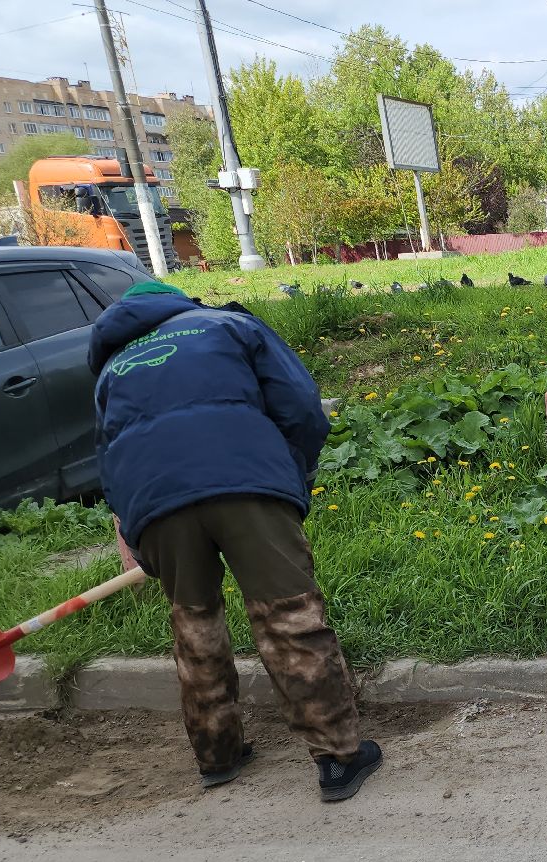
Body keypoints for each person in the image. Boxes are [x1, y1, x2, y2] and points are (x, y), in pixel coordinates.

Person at [88, 281, 382, 802]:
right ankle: (338, 759)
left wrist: (138, 531)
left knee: (195, 625)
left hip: (155, 504)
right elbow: (301, 407)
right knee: (288, 615)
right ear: (177, 301)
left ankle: (217, 757)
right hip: (246, 485)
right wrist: (292, 474)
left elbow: (108, 460)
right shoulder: (227, 325)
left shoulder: (113, 367)